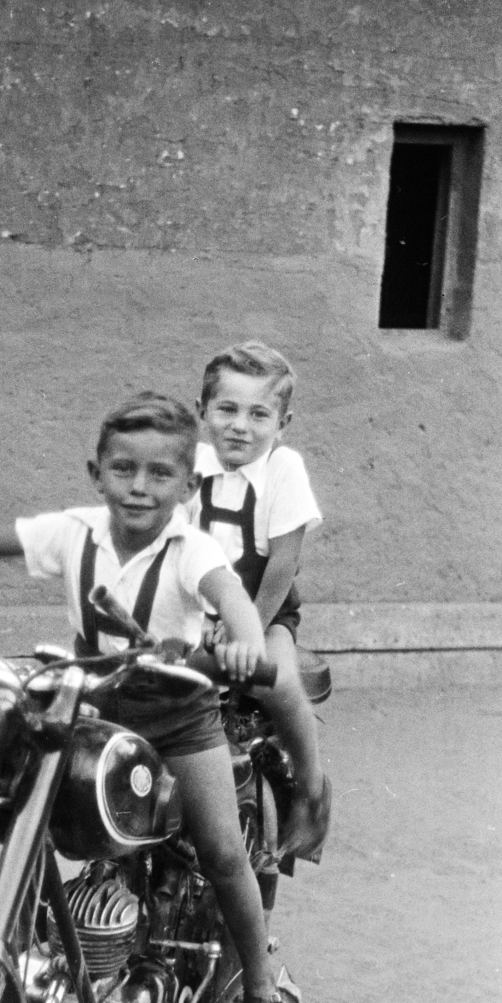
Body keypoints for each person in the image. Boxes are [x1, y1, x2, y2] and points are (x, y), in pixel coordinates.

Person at [0, 391, 297, 1003]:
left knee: (220, 850)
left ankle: (258, 995)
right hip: (96, 707)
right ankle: (41, 959)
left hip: (181, 719)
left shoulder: (192, 551)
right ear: (95, 473)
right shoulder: (74, 532)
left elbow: (234, 602)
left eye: (161, 475)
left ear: (188, 487)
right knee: (13, 811)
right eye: (123, 469)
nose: (139, 487)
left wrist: (246, 644)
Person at [192, 341, 332, 864]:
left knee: (276, 677)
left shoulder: (283, 469)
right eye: (226, 409)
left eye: (259, 414)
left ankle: (311, 791)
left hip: (264, 607)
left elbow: (282, 567)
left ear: (283, 423)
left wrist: (243, 627)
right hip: (198, 616)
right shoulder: (192, 465)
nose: (240, 426)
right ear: (201, 411)